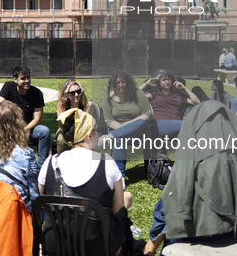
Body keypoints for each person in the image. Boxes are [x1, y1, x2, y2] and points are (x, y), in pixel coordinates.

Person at [142, 101, 237, 255]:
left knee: (165, 206)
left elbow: (180, 189)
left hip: (197, 236)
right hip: (231, 231)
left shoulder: (189, 163)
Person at [38, 108, 134, 256]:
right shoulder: (106, 163)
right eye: (98, 131)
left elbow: (42, 199)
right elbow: (118, 210)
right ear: (89, 135)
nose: (99, 134)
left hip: (54, 245)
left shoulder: (50, 162)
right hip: (96, 248)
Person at [99, 70, 153, 179]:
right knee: (119, 138)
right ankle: (120, 178)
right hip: (119, 131)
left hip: (141, 130)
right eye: (118, 82)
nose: (121, 85)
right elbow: (109, 120)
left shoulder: (137, 93)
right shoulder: (108, 98)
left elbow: (147, 114)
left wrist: (129, 126)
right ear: (113, 84)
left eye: (123, 82)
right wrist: (126, 131)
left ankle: (109, 137)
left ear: (128, 82)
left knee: (140, 122)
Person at [0, 66, 51, 167]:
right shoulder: (8, 87)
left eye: (28, 77)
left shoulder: (36, 93)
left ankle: (42, 167)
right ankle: (7, 165)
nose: (27, 81)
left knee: (44, 131)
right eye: (23, 78)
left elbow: (37, 119)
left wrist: (25, 129)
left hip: (27, 127)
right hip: (9, 127)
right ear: (15, 79)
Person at [139, 69, 199, 139]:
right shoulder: (154, 93)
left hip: (177, 126)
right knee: (189, 126)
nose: (167, 82)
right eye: (164, 80)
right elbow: (134, 96)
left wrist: (185, 88)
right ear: (159, 82)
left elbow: (196, 102)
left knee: (186, 137)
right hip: (158, 124)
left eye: (169, 79)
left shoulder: (178, 94)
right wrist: (146, 83)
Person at [55, 79, 94, 154]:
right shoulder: (61, 104)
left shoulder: (87, 105)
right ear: (67, 94)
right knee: (61, 140)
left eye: (78, 91)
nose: (76, 95)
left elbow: (87, 124)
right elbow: (62, 124)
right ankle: (60, 160)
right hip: (66, 130)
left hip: (83, 131)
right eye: (72, 93)